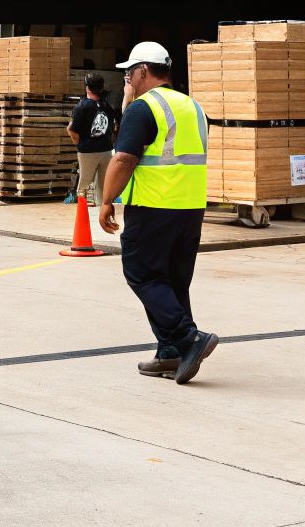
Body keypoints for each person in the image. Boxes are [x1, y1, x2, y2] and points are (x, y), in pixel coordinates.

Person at [98, 42, 220, 385]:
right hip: (190, 207)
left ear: (143, 71)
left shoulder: (143, 108)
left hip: (154, 206)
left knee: (142, 273)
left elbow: (123, 158)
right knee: (174, 281)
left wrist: (107, 199)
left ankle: (188, 338)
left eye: (128, 73)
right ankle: (170, 353)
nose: (126, 79)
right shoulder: (193, 107)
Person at [65, 73, 118, 206]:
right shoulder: (107, 106)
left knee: (84, 183)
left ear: (87, 88)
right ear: (102, 88)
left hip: (87, 151)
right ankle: (102, 209)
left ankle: (83, 212)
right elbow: (113, 128)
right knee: (103, 184)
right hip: (106, 150)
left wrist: (79, 143)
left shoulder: (81, 107)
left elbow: (71, 129)